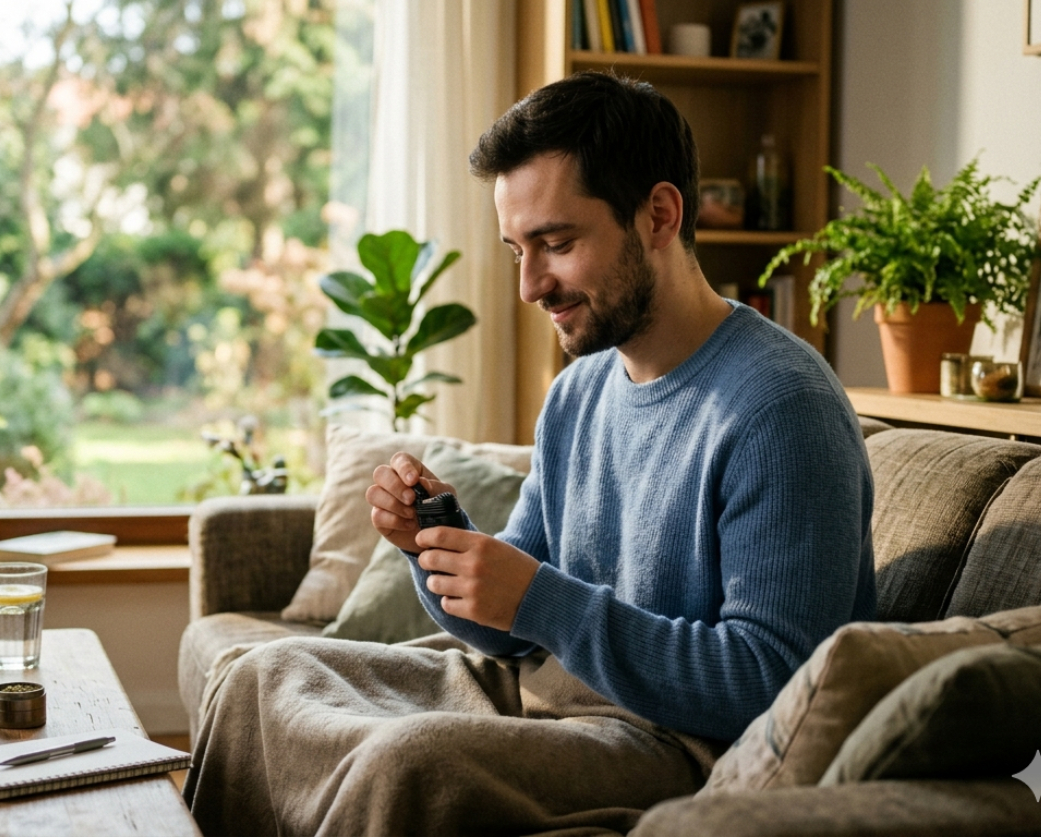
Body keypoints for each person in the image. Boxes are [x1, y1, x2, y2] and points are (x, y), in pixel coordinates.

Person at [184, 71, 876, 836]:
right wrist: (436, 546)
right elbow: (516, 623)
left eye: (556, 243)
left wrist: (541, 598)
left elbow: (773, 678)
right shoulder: (579, 393)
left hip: (677, 742)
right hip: (538, 690)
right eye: (518, 248)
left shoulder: (781, 406)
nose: (528, 284)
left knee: (409, 764)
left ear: (659, 215)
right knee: (257, 676)